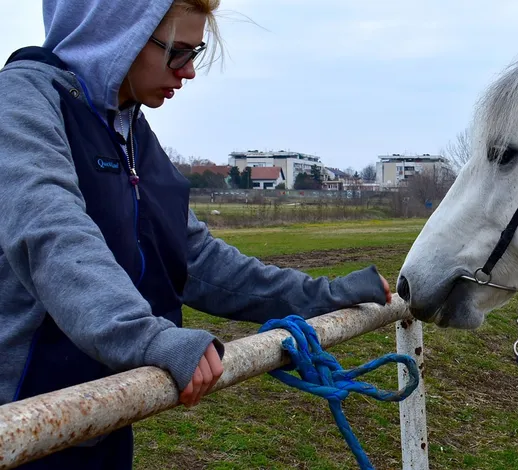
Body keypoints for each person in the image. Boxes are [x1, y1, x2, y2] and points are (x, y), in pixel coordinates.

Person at [0, 0, 393, 467]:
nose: (187, 73)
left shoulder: (128, 131)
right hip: (20, 426)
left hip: (98, 415)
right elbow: (52, 235)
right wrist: (145, 337)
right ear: (116, 34)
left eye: (195, 53)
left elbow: (194, 258)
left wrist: (320, 296)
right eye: (177, 52)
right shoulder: (20, 103)